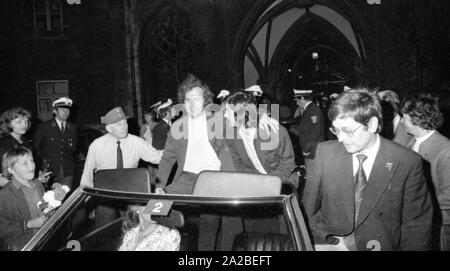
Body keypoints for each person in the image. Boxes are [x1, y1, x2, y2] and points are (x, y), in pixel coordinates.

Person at [302, 88, 433, 251]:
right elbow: (308, 208)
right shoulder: (324, 153)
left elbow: (416, 225)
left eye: (348, 131)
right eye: (336, 130)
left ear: (371, 125)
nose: (341, 139)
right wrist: (321, 241)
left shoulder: (406, 162)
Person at [401, 94, 450, 250]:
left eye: (405, 118)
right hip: (418, 218)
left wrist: (418, 206)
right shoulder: (411, 141)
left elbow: (448, 195)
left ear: (417, 121)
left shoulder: (445, 150)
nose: (402, 122)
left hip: (439, 223)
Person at [224, 91, 297, 189]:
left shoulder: (274, 131)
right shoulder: (232, 136)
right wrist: (255, 181)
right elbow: (238, 163)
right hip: (256, 183)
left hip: (283, 181)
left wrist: (268, 182)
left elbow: (288, 163)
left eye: (228, 111)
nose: (225, 115)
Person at [80, 106, 163, 187]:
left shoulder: (136, 142)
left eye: (125, 123)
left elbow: (156, 156)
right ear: (109, 129)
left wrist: (174, 148)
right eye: (119, 124)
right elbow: (87, 173)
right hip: (105, 190)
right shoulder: (97, 145)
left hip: (129, 188)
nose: (124, 127)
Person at [0, 147, 47, 250]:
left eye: (32, 161)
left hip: (42, 240)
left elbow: (43, 206)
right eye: (25, 163)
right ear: (11, 169)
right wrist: (28, 224)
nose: (32, 166)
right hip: (22, 246)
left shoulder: (38, 184)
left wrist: (53, 200)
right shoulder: (5, 195)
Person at [33, 97, 78, 190]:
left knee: (66, 196)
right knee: (49, 197)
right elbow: (36, 147)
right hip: (50, 170)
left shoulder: (72, 127)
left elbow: (73, 148)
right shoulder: (45, 127)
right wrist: (43, 163)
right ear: (55, 111)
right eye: (62, 110)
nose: (66, 112)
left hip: (67, 169)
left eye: (67, 110)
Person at [0, 107, 33, 187]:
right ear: (8, 124)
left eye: (26, 121)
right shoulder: (4, 145)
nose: (24, 125)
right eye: (19, 122)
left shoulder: (25, 142)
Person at [293, 89, 324, 170]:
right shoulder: (308, 109)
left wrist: (307, 149)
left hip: (312, 149)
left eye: (297, 100)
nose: (296, 103)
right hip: (310, 148)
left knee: (313, 171)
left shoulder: (313, 110)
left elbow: (315, 131)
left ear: (302, 98)